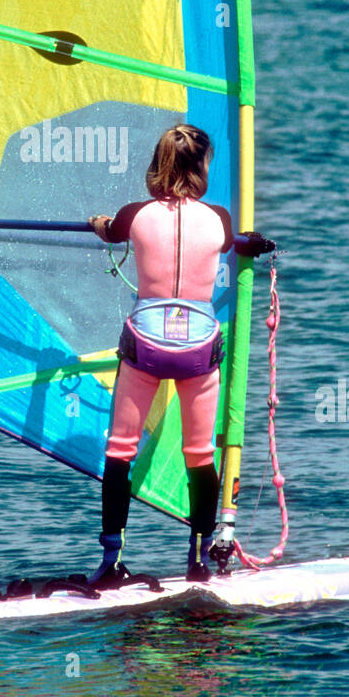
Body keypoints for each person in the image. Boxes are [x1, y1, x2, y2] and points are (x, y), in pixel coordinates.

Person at [88, 124, 273, 587]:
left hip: (145, 347)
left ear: (158, 163)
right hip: (197, 350)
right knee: (199, 456)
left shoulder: (134, 215)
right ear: (202, 166)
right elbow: (231, 243)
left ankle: (110, 562)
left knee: (119, 451)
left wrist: (96, 223)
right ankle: (198, 560)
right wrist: (249, 242)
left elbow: (110, 232)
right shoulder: (220, 220)